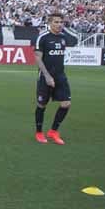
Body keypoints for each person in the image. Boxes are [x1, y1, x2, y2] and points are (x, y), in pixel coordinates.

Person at [33, 13, 71, 145]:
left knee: (66, 104)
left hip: (60, 76)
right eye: (56, 22)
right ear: (50, 23)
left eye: (61, 22)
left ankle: (53, 131)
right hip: (45, 77)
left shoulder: (63, 37)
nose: (60, 24)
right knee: (41, 105)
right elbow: (38, 58)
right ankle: (39, 132)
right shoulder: (43, 37)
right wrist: (47, 76)